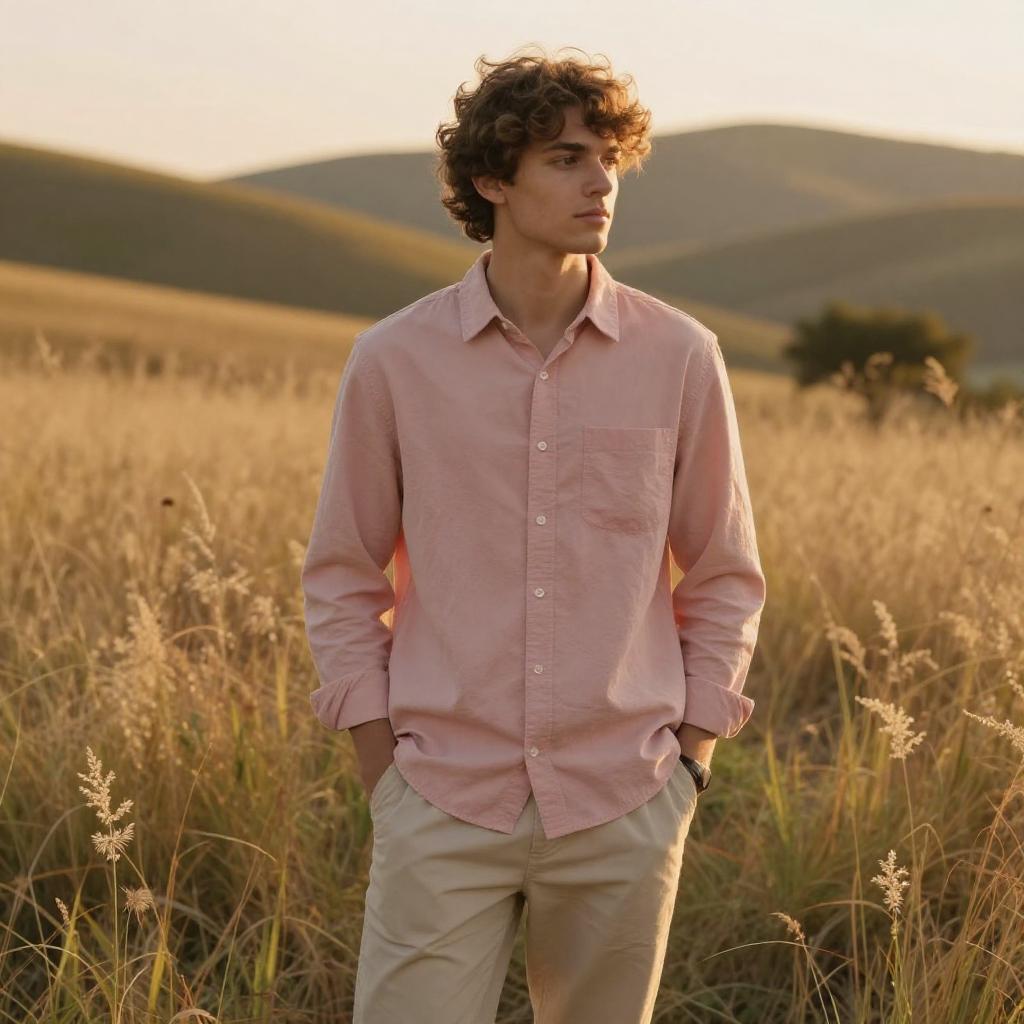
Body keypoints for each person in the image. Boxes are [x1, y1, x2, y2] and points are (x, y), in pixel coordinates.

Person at [301, 46, 767, 1024]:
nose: (601, 182)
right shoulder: (394, 360)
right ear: (491, 180)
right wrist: (385, 770)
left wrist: (688, 760)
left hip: (625, 796)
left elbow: (724, 573)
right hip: (440, 793)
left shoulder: (680, 355)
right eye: (565, 158)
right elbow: (343, 573)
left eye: (609, 159)